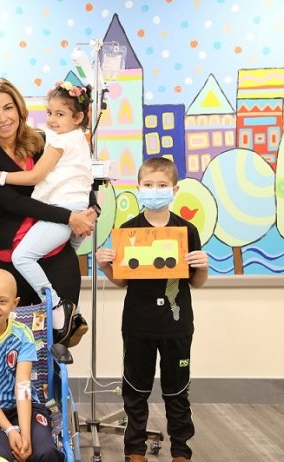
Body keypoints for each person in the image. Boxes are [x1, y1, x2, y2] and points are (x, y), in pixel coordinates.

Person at [0, 77, 97, 347]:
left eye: (8, 108)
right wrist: (69, 218)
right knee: (12, 347)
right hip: (11, 259)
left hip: (57, 256)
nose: (3, 118)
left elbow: (77, 175)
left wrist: (91, 209)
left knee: (56, 345)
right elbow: (14, 202)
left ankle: (67, 324)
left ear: (19, 109)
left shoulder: (43, 140)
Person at [95, 157, 209, 462]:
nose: (154, 190)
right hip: (138, 323)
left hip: (176, 323)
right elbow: (121, 281)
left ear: (174, 189)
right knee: (135, 390)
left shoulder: (187, 229)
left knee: (177, 392)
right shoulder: (128, 230)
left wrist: (203, 267)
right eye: (148, 185)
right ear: (138, 187)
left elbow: (196, 282)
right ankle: (134, 451)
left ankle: (181, 452)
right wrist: (105, 266)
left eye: (161, 185)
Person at [0, 268, 64, 462]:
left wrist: (25, 434)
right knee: (0, 454)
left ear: (14, 304)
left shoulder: (23, 335)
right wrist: (9, 430)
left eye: (2, 301)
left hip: (23, 405)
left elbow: (22, 385)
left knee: (46, 451)